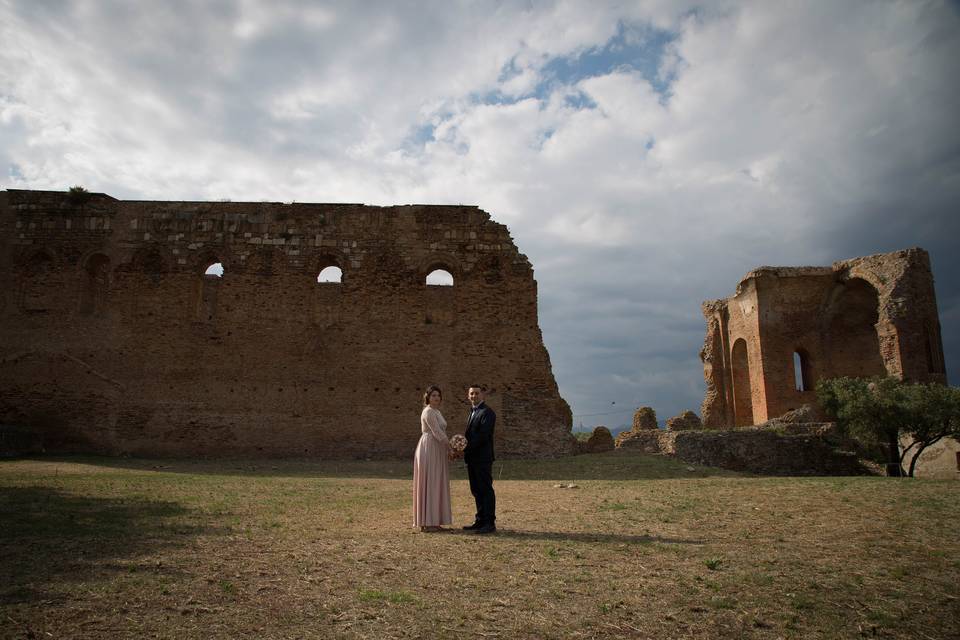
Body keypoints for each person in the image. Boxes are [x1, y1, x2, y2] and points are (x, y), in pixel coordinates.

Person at [413, 385, 452, 532]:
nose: (436, 398)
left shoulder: (437, 411)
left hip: (437, 447)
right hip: (429, 447)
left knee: (436, 482)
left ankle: (433, 520)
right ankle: (428, 522)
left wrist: (448, 447)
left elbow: (441, 431)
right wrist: (450, 447)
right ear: (428, 397)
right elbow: (436, 432)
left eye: (438, 395)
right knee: (431, 481)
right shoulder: (428, 411)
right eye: (433, 395)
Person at [463, 385, 496, 534]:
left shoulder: (488, 413)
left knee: (486, 489)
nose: (474, 396)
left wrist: (464, 447)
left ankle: (489, 523)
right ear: (468, 396)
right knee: (476, 490)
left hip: (482, 458)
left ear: (482, 395)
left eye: (477, 393)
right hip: (472, 459)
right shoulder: (472, 412)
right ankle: (480, 520)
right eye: (471, 393)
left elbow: (483, 436)